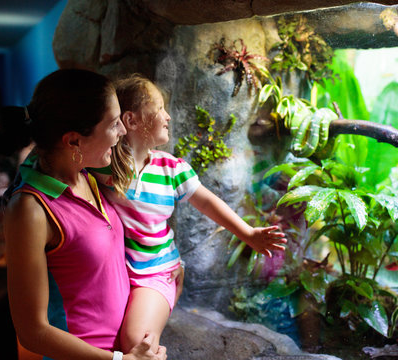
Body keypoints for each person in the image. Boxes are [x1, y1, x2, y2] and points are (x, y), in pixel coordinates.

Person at [92, 73, 288, 354]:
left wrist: (249, 234)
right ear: (131, 121)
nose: (168, 116)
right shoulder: (103, 167)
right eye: (159, 108)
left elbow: (208, 203)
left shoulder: (172, 169)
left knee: (137, 341)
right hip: (119, 272)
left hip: (156, 272)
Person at [0, 69, 167, 360]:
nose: (123, 132)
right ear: (74, 141)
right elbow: (32, 330)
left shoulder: (86, 173)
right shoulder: (31, 210)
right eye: (114, 124)